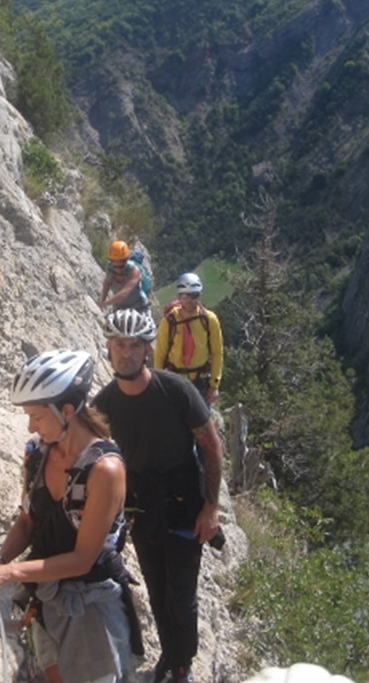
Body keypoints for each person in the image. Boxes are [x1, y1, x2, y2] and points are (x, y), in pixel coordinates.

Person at [0, 349, 141, 683]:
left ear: (67, 411)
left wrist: (6, 573)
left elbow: (83, 559)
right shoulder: (37, 455)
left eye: (37, 416)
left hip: (91, 605)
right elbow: (28, 521)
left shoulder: (105, 469)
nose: (31, 426)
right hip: (47, 597)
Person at [93, 309, 224, 683]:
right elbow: (89, 451)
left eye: (135, 345)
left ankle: (181, 666)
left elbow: (211, 448)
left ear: (148, 349)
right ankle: (170, 655)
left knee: (181, 598)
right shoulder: (105, 405)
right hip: (144, 509)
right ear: (109, 347)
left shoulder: (176, 390)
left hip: (186, 506)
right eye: (120, 344)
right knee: (157, 591)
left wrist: (210, 507)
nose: (127, 353)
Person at [153, 273, 224, 405]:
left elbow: (217, 353)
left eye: (194, 295)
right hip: (174, 378)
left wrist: (214, 385)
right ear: (178, 296)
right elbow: (160, 354)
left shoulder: (209, 319)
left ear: (199, 295)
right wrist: (159, 381)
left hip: (200, 380)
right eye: (184, 295)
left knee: (200, 423)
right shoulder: (169, 321)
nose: (189, 300)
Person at [99, 240, 150, 314]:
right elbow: (107, 283)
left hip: (140, 309)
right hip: (121, 308)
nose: (118, 269)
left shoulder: (134, 271)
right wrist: (103, 299)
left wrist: (105, 303)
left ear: (126, 261)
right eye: (115, 266)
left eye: (121, 266)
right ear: (112, 261)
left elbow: (124, 293)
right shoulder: (110, 269)